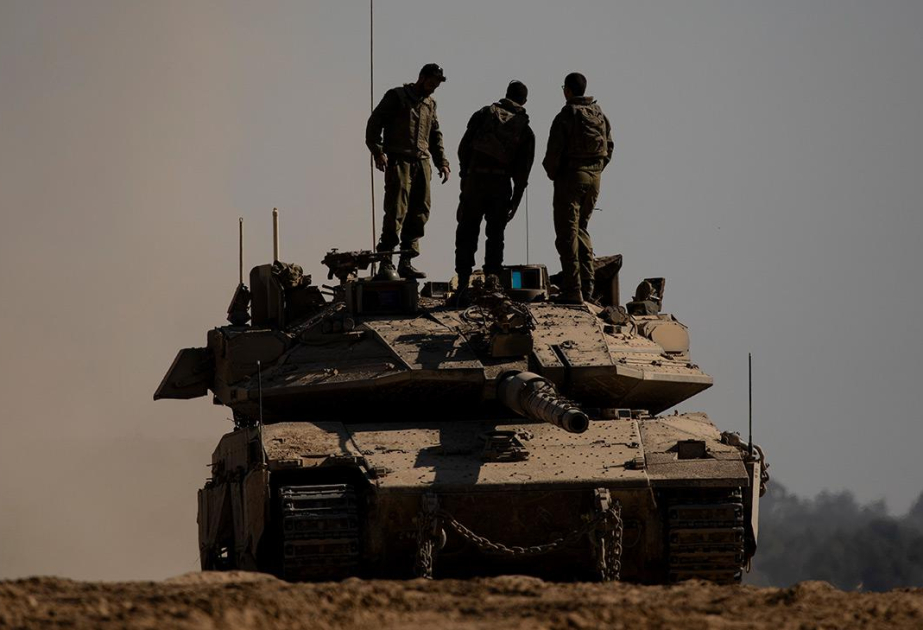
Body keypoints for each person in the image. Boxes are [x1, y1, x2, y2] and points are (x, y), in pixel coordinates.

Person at [365, 63, 451, 279]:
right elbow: (375, 122)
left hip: (422, 161)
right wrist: (378, 151)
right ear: (422, 78)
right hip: (399, 159)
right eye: (432, 83)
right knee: (396, 209)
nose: (433, 88)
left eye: (437, 85)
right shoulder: (397, 96)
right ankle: (386, 258)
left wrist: (442, 162)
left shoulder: (430, 104)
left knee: (421, 210)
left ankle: (406, 259)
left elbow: (435, 134)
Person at [454, 81, 535, 293]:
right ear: (524, 101)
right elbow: (523, 172)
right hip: (500, 184)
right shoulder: (525, 129)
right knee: (496, 234)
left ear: (506, 94)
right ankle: (492, 278)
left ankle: (462, 281)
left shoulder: (483, 114)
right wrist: (515, 201)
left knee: (467, 230)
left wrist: (465, 177)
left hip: (475, 180)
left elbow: (463, 149)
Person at [542, 72, 614, 303]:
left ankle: (573, 289)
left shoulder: (567, 115)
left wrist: (555, 174)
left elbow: (552, 155)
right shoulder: (599, 113)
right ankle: (588, 286)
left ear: (568, 90)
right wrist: (595, 170)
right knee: (581, 228)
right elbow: (609, 146)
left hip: (571, 179)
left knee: (567, 234)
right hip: (594, 179)